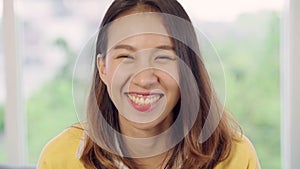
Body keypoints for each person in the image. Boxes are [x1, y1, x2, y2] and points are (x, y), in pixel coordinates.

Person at [38, 0, 261, 168]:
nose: (144, 79)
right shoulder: (60, 157)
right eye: (125, 57)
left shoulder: (235, 157)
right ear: (103, 69)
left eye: (163, 57)